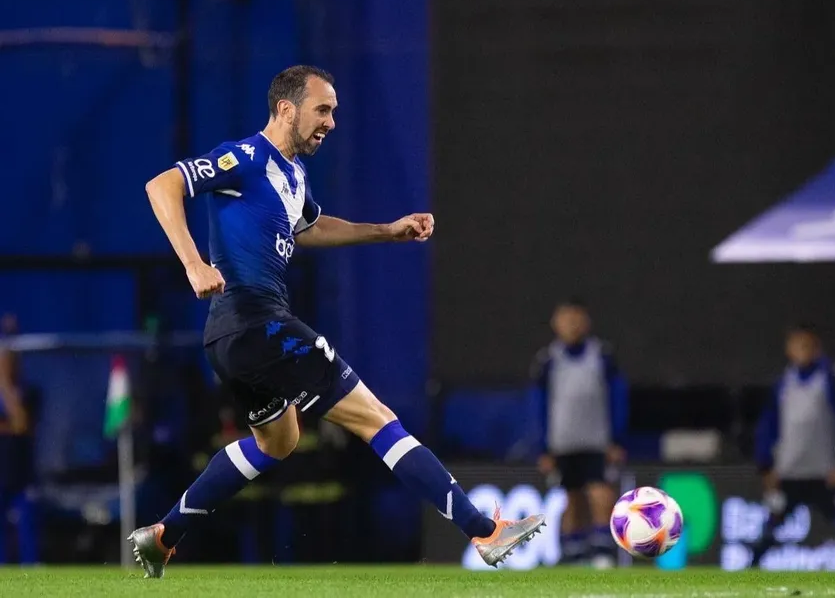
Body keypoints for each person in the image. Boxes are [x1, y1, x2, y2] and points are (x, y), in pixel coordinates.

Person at [130, 65, 543, 578]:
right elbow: (162, 185)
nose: (330, 121)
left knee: (277, 442)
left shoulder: (293, 175)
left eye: (334, 112)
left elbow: (313, 227)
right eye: (322, 109)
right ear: (286, 108)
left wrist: (386, 231)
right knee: (376, 418)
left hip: (231, 339)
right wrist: (194, 263)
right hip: (260, 324)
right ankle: (485, 531)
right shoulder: (246, 156)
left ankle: (164, 535)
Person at [750, 324, 835, 568]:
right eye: (798, 345)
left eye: (808, 345)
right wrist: (766, 465)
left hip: (825, 473)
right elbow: (768, 426)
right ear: (789, 350)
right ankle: (746, 576)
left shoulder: (832, 378)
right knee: (769, 529)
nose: (803, 351)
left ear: (817, 348)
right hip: (790, 474)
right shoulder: (783, 384)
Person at [531, 298, 627, 568]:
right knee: (571, 498)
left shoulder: (602, 356)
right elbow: (538, 404)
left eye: (577, 317)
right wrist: (542, 447)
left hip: (597, 442)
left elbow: (618, 397)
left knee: (600, 493)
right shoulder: (548, 360)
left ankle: (602, 552)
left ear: (586, 322)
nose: (571, 324)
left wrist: (617, 439)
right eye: (566, 318)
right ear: (555, 323)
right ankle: (573, 554)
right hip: (562, 444)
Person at [0, 314, 39, 565]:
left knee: (28, 534)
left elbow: (23, 423)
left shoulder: (30, 391)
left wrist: (4, 384)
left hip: (21, 477)